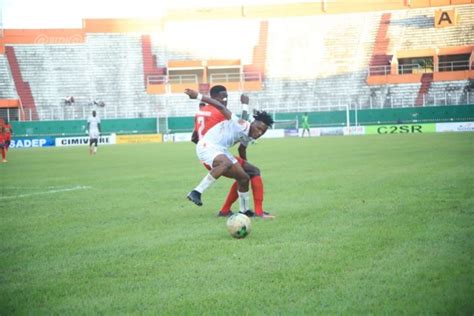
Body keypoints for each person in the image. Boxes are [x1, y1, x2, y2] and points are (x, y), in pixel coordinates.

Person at [185, 88, 274, 217]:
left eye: (263, 132)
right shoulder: (242, 125)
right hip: (207, 145)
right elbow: (220, 106)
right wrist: (197, 96)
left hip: (221, 149)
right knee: (225, 163)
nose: (259, 132)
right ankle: (196, 192)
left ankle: (244, 211)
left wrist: (244, 166)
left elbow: (241, 149)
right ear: (253, 123)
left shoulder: (250, 134)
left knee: (244, 177)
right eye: (259, 128)